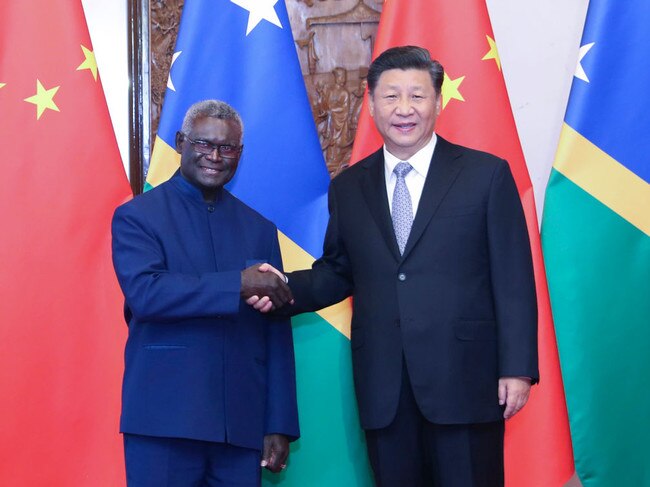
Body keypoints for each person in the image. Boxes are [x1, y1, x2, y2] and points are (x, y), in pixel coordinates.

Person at [250, 46, 538, 487]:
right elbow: (338, 271)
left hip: (466, 381)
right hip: (385, 388)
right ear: (370, 103)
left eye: (417, 97)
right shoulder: (349, 186)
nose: (404, 109)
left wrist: (516, 367)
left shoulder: (486, 175)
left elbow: (514, 279)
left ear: (437, 103)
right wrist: (281, 288)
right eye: (391, 97)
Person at [111, 99, 298, 486]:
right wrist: (238, 283)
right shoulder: (137, 216)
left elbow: (276, 331)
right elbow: (148, 293)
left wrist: (278, 422)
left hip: (240, 427)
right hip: (164, 422)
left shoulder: (259, 227)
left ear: (240, 154)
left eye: (227, 147)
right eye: (203, 143)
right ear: (181, 142)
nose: (215, 156)